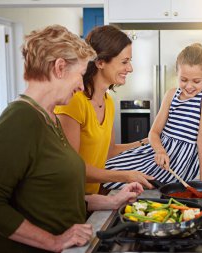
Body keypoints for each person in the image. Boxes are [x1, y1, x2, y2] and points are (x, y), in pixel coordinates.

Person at [0, 25, 143, 253]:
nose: (80, 85)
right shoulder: (20, 118)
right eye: (80, 74)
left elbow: (55, 195)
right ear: (59, 68)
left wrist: (110, 201)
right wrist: (53, 241)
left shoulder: (49, 119)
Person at [54, 25, 154, 195]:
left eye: (130, 61)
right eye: (124, 62)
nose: (130, 68)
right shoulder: (73, 101)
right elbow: (71, 168)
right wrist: (125, 176)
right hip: (65, 201)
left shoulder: (108, 102)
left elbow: (109, 152)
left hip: (89, 199)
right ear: (100, 62)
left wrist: (148, 142)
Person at [103, 43, 202, 190]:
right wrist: (160, 151)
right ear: (177, 74)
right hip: (158, 155)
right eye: (183, 80)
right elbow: (154, 133)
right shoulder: (171, 94)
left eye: (196, 81)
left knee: (144, 185)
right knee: (110, 171)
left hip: (178, 163)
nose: (189, 86)